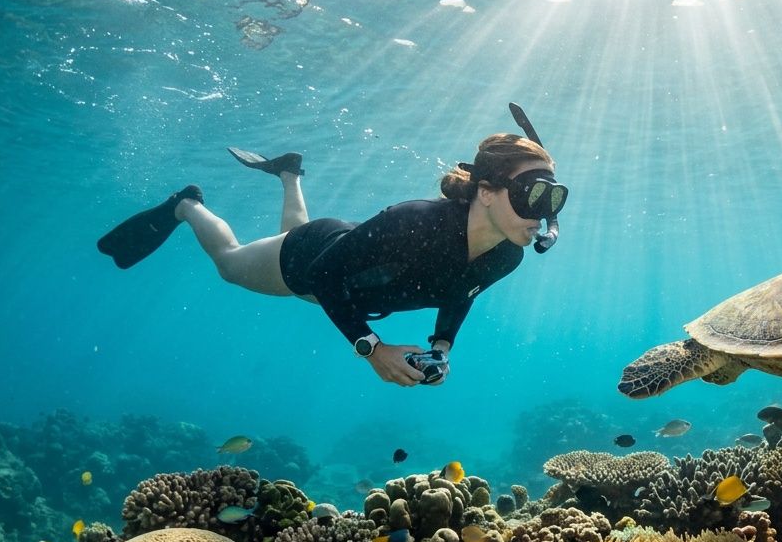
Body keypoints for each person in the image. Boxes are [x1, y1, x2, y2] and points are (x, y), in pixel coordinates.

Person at [97, 126, 567, 387]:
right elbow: (324, 275)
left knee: (290, 234)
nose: (542, 215)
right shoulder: (415, 222)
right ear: (486, 192)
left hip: (352, 271)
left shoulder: (507, 256)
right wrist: (372, 349)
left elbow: (462, 289)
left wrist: (441, 348)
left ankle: (289, 174)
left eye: (554, 199)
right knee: (230, 265)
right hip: (313, 261)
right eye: (532, 195)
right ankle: (187, 204)